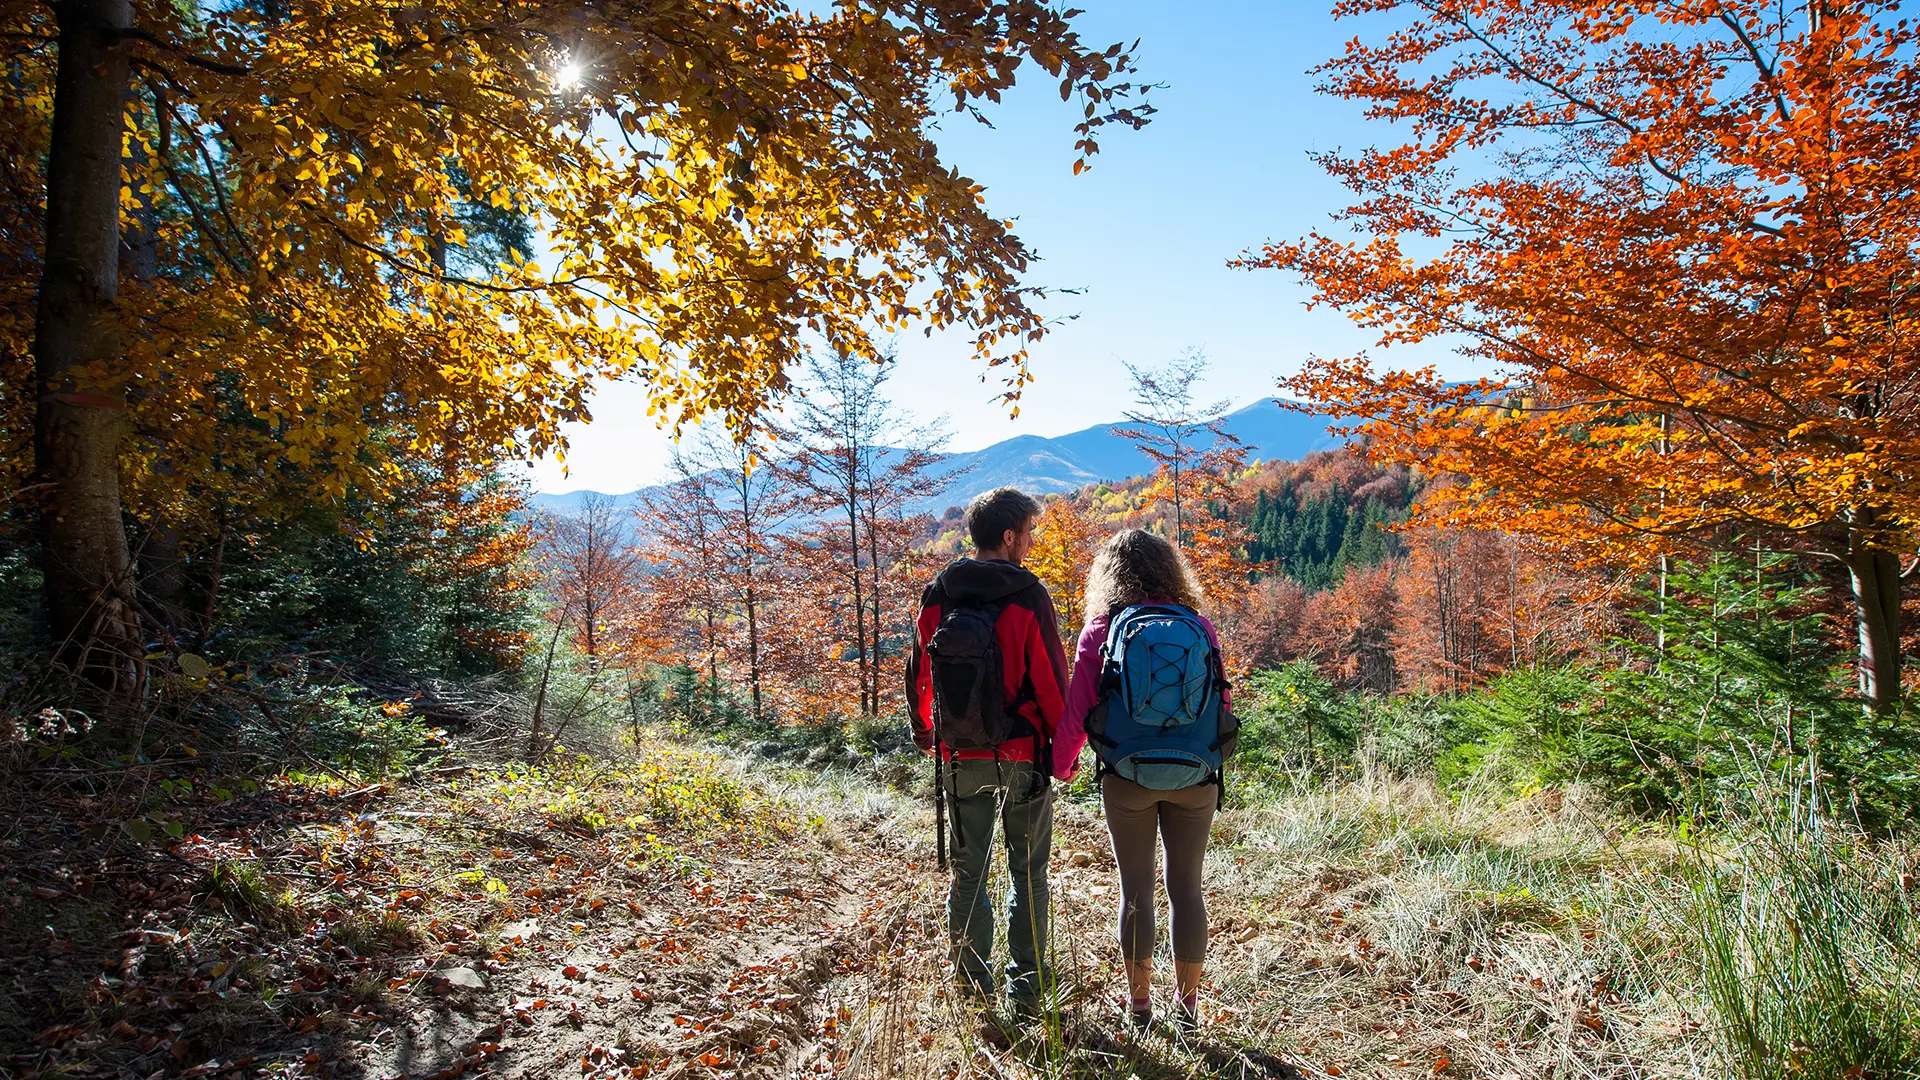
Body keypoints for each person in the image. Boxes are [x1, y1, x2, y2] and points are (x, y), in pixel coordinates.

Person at [1054, 528, 1233, 1034]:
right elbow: (1220, 706)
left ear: (1110, 576)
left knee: (1135, 891)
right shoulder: (1201, 625)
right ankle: (1190, 1008)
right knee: (1187, 889)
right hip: (1195, 777)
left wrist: (1063, 767)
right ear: (1170, 570)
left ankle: (1140, 1009)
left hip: (1126, 775)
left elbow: (1076, 714)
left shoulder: (1101, 629)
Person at [906, 487, 1070, 1013]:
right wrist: (1060, 751)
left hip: (959, 755)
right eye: (1028, 532)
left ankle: (974, 991)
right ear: (1008, 536)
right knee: (1027, 874)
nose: (1030, 541)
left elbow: (919, 671)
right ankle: (1028, 995)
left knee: (969, 872)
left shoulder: (940, 592)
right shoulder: (1028, 595)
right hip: (1021, 754)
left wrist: (927, 731)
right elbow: (1052, 682)